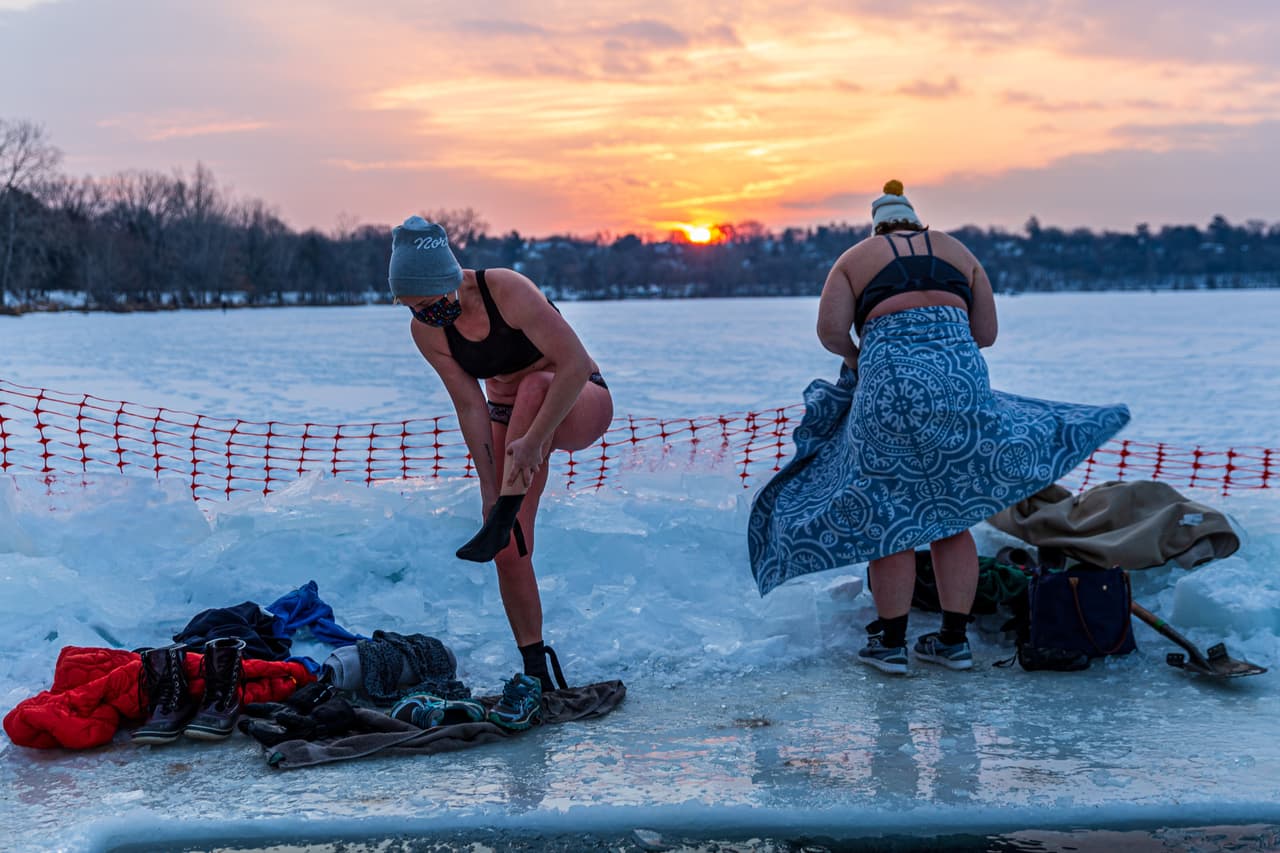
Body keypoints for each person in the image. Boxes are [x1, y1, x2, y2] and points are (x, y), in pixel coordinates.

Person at [746, 181, 1129, 674]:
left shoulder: (855, 258)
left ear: (878, 225)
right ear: (914, 219)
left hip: (892, 389)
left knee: (890, 516)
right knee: (952, 515)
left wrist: (857, 355)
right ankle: (953, 641)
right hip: (960, 385)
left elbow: (830, 332)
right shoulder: (957, 251)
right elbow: (986, 334)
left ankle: (890, 644)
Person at [387, 216, 613, 700]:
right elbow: (471, 407)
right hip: (510, 417)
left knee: (533, 386)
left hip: (577, 399)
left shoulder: (506, 289)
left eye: (426, 303)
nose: (423, 315)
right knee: (508, 545)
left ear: (446, 279)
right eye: (412, 308)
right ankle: (535, 665)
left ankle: (508, 503)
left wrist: (536, 439)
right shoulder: (428, 332)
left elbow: (573, 364)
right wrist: (489, 488)